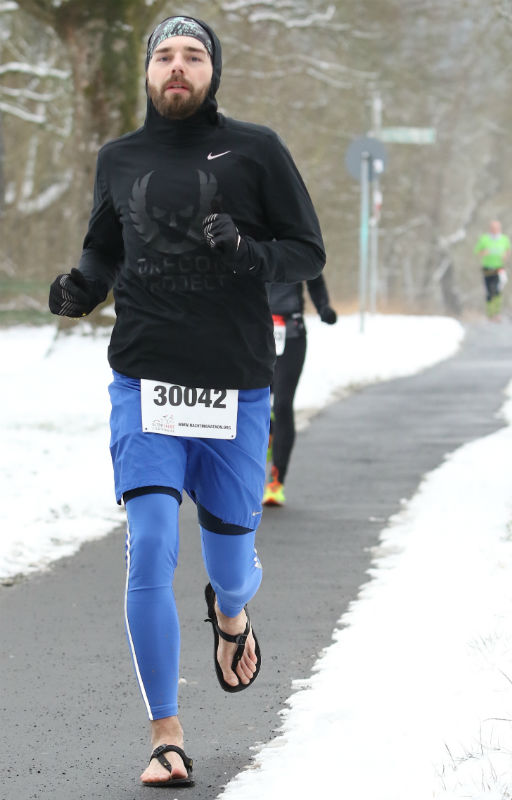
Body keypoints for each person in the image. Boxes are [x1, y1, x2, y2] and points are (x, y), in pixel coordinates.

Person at [47, 15, 325, 788]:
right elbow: (106, 245)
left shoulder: (257, 150)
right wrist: (84, 286)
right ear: (147, 71)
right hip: (145, 379)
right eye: (164, 55)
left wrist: (249, 252)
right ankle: (166, 734)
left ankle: (231, 614)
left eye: (193, 55)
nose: (177, 66)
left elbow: (308, 250)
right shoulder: (119, 158)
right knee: (151, 544)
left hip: (235, 384)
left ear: (213, 71)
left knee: (232, 566)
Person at [263, 277, 337, 506]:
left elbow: (314, 276)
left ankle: (276, 481)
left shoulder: (294, 241)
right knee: (256, 403)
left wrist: (323, 306)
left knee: (283, 404)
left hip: (291, 333)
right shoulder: (246, 241)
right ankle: (269, 432)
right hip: (256, 331)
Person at [473, 220, 511, 320]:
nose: (495, 230)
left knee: (497, 289)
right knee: (489, 290)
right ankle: (490, 313)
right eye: (493, 228)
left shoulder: (504, 239)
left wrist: (505, 256)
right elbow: (476, 251)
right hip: (487, 267)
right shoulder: (484, 239)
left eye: (497, 228)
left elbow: (508, 250)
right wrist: (483, 252)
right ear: (490, 229)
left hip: (499, 267)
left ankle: (497, 313)